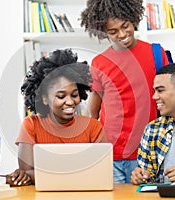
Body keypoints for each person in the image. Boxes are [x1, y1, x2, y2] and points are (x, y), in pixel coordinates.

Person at [80, 0, 169, 183]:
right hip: (109, 152)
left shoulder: (156, 54)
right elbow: (93, 112)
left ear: (132, 18)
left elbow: (169, 99)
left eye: (125, 26)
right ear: (104, 32)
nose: (122, 34)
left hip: (147, 153)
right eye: (113, 32)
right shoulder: (100, 63)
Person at [6, 49, 106, 186]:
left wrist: (43, 174)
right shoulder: (31, 125)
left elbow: (101, 173)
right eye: (61, 96)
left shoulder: (93, 127)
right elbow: (26, 174)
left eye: (74, 95)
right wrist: (77, 174)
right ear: (45, 98)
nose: (70, 102)